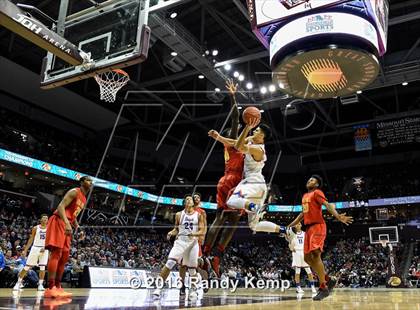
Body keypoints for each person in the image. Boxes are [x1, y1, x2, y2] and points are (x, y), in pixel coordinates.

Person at [287, 175, 353, 300]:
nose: (309, 181)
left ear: (317, 184)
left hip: (318, 226)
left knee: (315, 254)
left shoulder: (317, 192)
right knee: (307, 259)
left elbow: (327, 205)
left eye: (312, 180)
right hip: (309, 229)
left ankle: (323, 287)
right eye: (308, 179)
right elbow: (302, 214)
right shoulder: (305, 196)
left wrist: (338, 216)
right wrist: (288, 226)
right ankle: (328, 279)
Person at [204, 79, 244, 277]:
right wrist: (233, 96)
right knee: (233, 220)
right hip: (234, 181)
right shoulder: (234, 144)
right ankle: (216, 255)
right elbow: (236, 118)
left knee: (222, 219)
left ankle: (206, 254)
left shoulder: (229, 147)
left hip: (225, 180)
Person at [225, 118, 279, 234]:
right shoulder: (251, 140)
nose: (254, 131)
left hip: (253, 182)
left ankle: (256, 207)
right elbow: (235, 142)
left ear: (262, 136)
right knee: (254, 226)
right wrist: (219, 138)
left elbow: (238, 147)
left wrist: (247, 128)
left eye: (257, 130)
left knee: (232, 201)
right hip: (259, 186)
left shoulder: (258, 149)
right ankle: (285, 230)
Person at [44, 176, 92, 298]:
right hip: (59, 221)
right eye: (88, 180)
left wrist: (78, 228)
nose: (90, 182)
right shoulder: (74, 191)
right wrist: (66, 223)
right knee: (56, 253)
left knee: (65, 256)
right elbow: (60, 207)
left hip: (67, 224)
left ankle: (58, 286)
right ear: (81, 182)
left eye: (91, 181)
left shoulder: (84, 198)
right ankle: (51, 287)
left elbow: (73, 216)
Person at [153, 194, 205, 301]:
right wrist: (171, 232)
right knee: (170, 263)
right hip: (180, 241)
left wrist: (194, 235)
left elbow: (202, 230)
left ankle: (193, 289)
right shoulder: (178, 214)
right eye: (187, 199)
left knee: (191, 270)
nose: (189, 200)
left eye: (190, 199)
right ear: (185, 203)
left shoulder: (199, 215)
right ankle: (158, 287)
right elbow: (176, 229)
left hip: (192, 243)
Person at [179, 192, 207, 295]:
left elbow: (204, 226)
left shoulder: (201, 212)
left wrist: (202, 237)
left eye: (197, 197)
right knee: (182, 265)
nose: (195, 199)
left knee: (195, 265)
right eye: (194, 197)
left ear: (200, 200)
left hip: (195, 241)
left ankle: (196, 285)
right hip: (184, 240)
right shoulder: (186, 211)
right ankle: (182, 286)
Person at [13, 214, 49, 291]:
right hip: (35, 248)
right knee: (27, 266)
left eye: (47, 218)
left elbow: (50, 240)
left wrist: (46, 247)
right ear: (41, 220)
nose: (45, 219)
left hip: (44, 249)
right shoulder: (35, 228)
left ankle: (40, 285)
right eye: (44, 218)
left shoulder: (49, 229)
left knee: (42, 268)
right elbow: (31, 239)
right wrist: (25, 250)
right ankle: (18, 283)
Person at [285, 222, 317, 294]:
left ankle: (312, 287)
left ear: (301, 225)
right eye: (296, 224)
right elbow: (289, 243)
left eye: (299, 224)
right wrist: (291, 247)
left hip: (304, 252)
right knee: (297, 271)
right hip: (296, 252)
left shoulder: (305, 234)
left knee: (309, 271)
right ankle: (298, 287)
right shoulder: (292, 234)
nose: (298, 225)